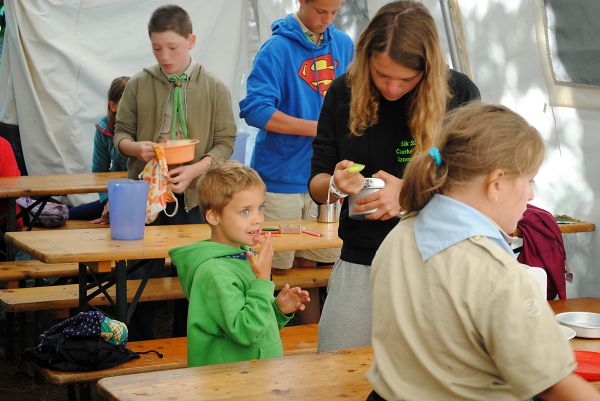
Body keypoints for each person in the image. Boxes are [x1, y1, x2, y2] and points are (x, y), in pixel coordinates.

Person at [366, 102, 600, 401]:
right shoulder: (494, 272)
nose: (530, 194)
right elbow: (554, 386)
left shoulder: (400, 236)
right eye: (528, 181)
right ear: (496, 183)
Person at [309, 0, 480, 351]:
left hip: (436, 263)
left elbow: (473, 187)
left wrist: (408, 194)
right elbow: (317, 182)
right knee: (337, 367)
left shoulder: (458, 95)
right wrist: (335, 186)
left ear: (427, 70)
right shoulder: (343, 91)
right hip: (362, 260)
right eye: (380, 75)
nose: (391, 89)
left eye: (405, 79)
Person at [113, 5, 236, 339]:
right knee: (140, 277)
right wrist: (134, 148)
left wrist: (195, 170)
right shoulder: (139, 83)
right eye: (157, 48)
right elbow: (120, 133)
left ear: (191, 40)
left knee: (196, 276)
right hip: (146, 199)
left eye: (172, 47)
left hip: (197, 199)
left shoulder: (214, 87)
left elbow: (225, 143)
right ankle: (137, 348)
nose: (164, 56)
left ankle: (189, 347)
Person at [239, 0, 353, 275]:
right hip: (280, 179)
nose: (327, 19)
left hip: (325, 177)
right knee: (275, 267)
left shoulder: (343, 44)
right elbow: (255, 110)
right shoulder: (276, 49)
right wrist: (317, 128)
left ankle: (314, 320)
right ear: (302, 2)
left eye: (334, 13)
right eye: (320, 11)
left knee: (317, 266)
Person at [169, 160, 310, 367]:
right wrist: (262, 280)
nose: (257, 219)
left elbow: (256, 324)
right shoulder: (215, 272)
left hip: (255, 378)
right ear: (214, 216)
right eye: (245, 211)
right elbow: (245, 332)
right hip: (229, 384)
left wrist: (278, 310)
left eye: (260, 208)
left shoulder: (244, 254)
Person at [68, 76, 130, 223]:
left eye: (136, 104)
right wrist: (108, 201)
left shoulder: (146, 129)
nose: (133, 110)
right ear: (113, 106)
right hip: (117, 194)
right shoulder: (104, 129)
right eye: (127, 104)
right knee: (70, 216)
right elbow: (99, 171)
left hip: (142, 197)